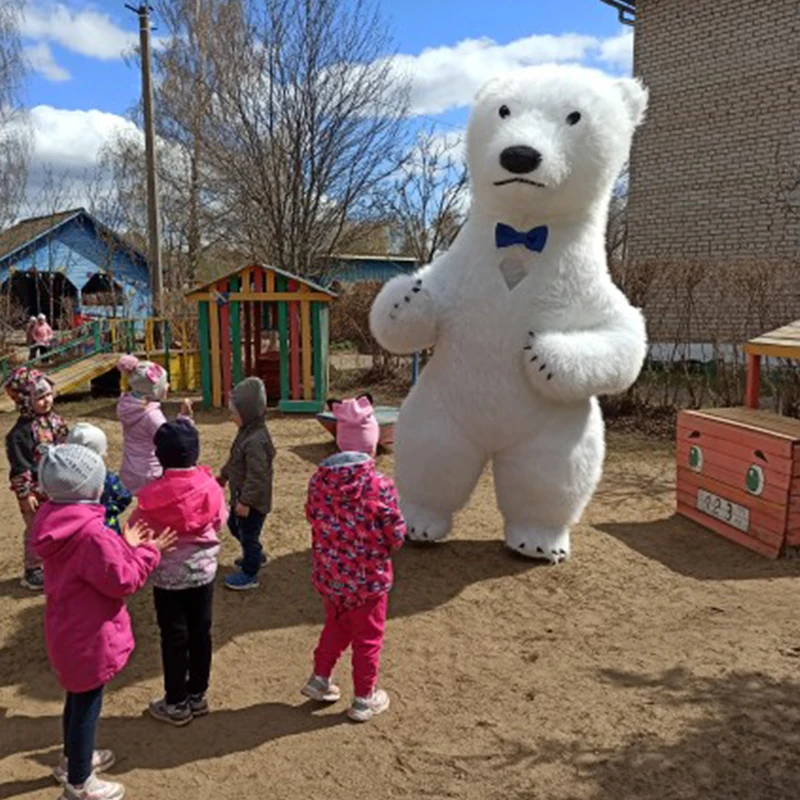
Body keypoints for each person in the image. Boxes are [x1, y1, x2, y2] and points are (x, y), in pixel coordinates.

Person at [31, 444, 176, 800]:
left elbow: (97, 566)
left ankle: (72, 761)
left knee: (76, 699)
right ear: (91, 488)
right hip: (90, 637)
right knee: (86, 706)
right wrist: (148, 551)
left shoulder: (54, 521)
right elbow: (123, 580)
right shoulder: (92, 535)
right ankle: (79, 783)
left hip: (66, 630)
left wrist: (120, 543)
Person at [128, 419, 225, 726]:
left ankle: (176, 702)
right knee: (201, 632)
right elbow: (220, 519)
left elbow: (134, 531)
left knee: (173, 637)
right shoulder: (210, 486)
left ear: (160, 455)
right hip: (203, 573)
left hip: (168, 578)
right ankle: (197, 695)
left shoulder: (151, 497)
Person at [302, 451, 406, 722]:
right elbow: (395, 535)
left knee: (336, 625)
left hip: (330, 575)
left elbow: (310, 516)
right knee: (368, 639)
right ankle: (363, 698)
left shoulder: (318, 482)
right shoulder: (379, 485)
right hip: (368, 581)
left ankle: (320, 678)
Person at [5, 368, 69, 590]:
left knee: (59, 523)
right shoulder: (19, 434)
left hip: (57, 485)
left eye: (48, 394)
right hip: (35, 489)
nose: (46, 401)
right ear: (24, 400)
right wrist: (26, 493)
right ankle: (33, 569)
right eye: (39, 397)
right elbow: (19, 466)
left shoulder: (56, 421)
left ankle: (55, 562)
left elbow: (66, 446)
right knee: (36, 528)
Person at [218, 377, 274, 591]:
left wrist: (246, 501)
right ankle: (256, 555)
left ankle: (250, 572)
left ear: (248, 414)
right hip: (241, 497)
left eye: (235, 414)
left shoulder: (256, 440)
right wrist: (224, 475)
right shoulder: (246, 433)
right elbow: (235, 460)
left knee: (248, 535)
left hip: (252, 502)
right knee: (235, 526)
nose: (231, 418)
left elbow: (258, 475)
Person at [116, 354, 192, 494]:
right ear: (154, 391)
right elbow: (172, 440)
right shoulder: (151, 416)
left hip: (130, 469)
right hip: (151, 472)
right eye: (164, 383)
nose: (167, 385)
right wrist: (184, 419)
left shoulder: (125, 404)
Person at [67, 423, 132, 535]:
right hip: (106, 529)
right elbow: (125, 496)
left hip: (74, 530)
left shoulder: (62, 477)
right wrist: (111, 510)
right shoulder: (107, 478)